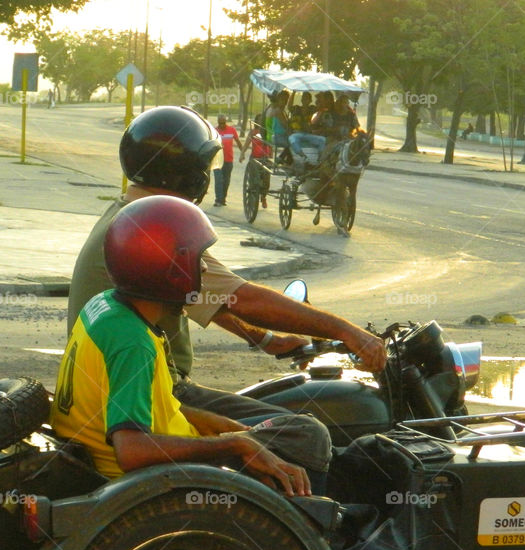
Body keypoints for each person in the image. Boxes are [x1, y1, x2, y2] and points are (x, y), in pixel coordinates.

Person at [66, 105, 387, 425]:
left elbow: (204, 297)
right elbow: (243, 299)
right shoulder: (155, 233)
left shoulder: (127, 216)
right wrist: (349, 332)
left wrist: (269, 340)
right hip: (152, 395)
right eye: (207, 164)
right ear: (191, 172)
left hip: (114, 393)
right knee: (301, 429)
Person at [53, 195, 329, 495]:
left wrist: (229, 430)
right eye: (198, 260)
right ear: (171, 270)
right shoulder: (134, 344)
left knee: (291, 431)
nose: (206, 271)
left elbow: (157, 407)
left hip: (152, 453)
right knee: (309, 435)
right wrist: (234, 444)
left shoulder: (104, 307)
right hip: (160, 478)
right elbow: (132, 451)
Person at [240, 115, 272, 208]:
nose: (261, 121)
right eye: (259, 120)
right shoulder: (253, 132)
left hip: (266, 158)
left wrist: (271, 156)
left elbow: (271, 146)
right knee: (253, 180)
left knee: (266, 179)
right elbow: (246, 144)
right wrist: (242, 154)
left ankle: (264, 197)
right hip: (254, 158)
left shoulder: (267, 132)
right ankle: (253, 198)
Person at [212, 114, 240, 207]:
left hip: (228, 160)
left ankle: (223, 199)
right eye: (220, 123)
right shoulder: (214, 132)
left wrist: (242, 153)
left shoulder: (232, 130)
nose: (222, 125)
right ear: (218, 122)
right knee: (218, 180)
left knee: (226, 181)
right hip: (217, 160)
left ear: (226, 122)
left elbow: (238, 142)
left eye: (223, 123)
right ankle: (218, 200)